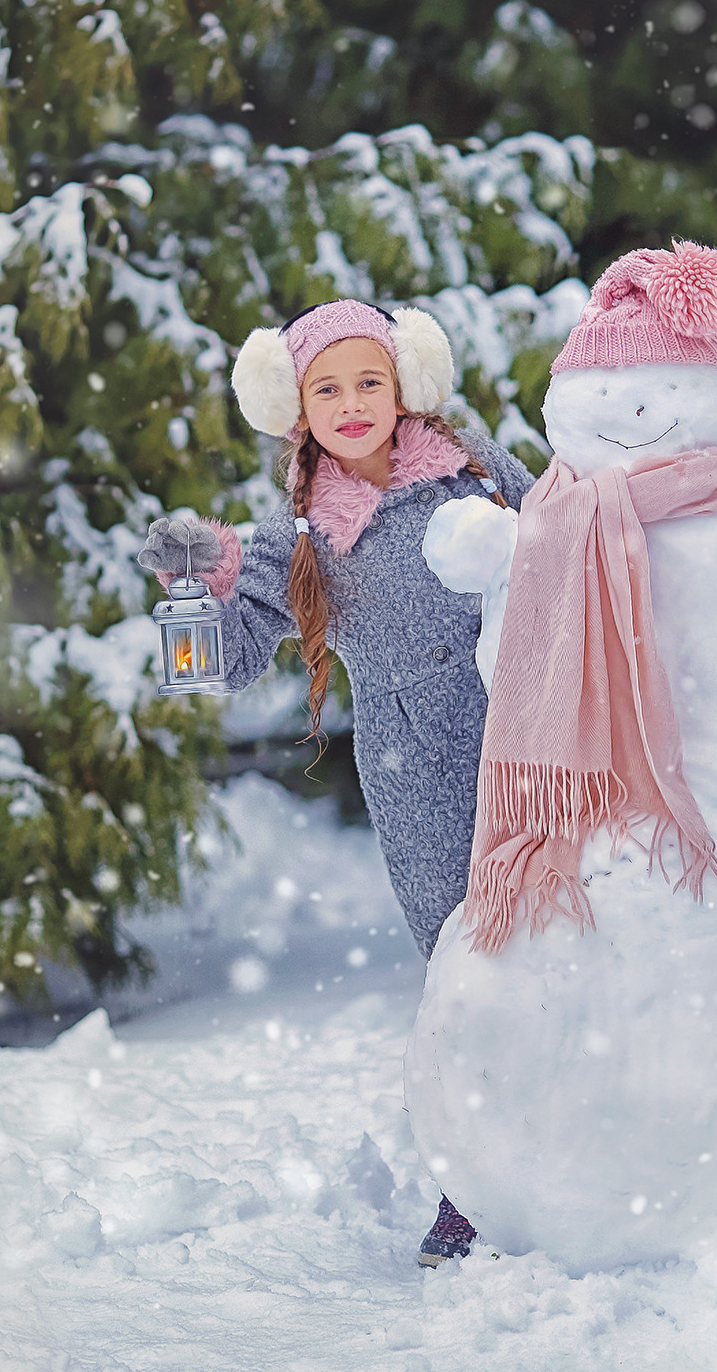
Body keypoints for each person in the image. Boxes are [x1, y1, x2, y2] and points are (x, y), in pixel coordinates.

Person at [137, 297, 535, 1266]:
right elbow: (206, 670)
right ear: (292, 405)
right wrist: (190, 591)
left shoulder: (476, 470)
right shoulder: (300, 540)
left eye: (370, 380)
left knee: (570, 938)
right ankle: (474, 1191)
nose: (353, 402)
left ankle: (586, 1156)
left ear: (407, 383)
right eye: (327, 387)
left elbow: (564, 548)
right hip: (422, 771)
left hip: (532, 730)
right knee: (469, 972)